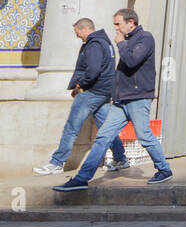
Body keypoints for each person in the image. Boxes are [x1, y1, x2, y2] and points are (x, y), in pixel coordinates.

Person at [54, 8, 173, 190]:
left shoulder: (145, 38)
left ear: (130, 22)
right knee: (102, 137)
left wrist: (120, 44)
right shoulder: (127, 40)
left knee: (144, 136)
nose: (116, 29)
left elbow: (132, 61)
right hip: (121, 100)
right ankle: (82, 178)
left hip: (138, 98)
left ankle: (164, 169)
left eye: (118, 24)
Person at [33, 18, 129, 176]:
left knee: (71, 128)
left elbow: (93, 70)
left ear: (84, 28)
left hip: (91, 92)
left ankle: (56, 163)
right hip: (103, 93)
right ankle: (120, 158)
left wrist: (80, 86)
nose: (77, 35)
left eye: (77, 31)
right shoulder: (105, 43)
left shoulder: (94, 44)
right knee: (106, 128)